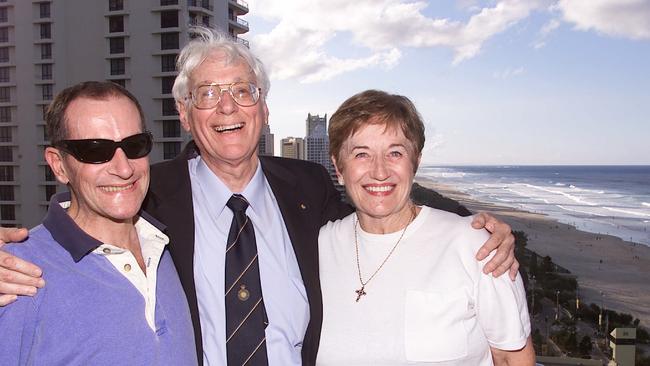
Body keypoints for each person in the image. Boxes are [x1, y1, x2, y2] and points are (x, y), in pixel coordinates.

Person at [0, 28, 517, 365]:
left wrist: (476, 224)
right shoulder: (145, 190)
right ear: (184, 114)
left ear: (263, 108)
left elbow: (385, 207)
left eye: (243, 90)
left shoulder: (308, 187)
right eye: (207, 93)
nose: (228, 105)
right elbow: (81, 216)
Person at [317, 90, 534, 365]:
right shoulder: (319, 245)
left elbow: (511, 357)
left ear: (415, 161)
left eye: (395, 152)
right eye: (361, 154)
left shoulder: (476, 246)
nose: (379, 171)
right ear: (338, 167)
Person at [0, 81, 197, 365]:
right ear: (58, 165)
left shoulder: (167, 246)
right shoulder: (19, 274)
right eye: (95, 151)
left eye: (134, 146)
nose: (124, 168)